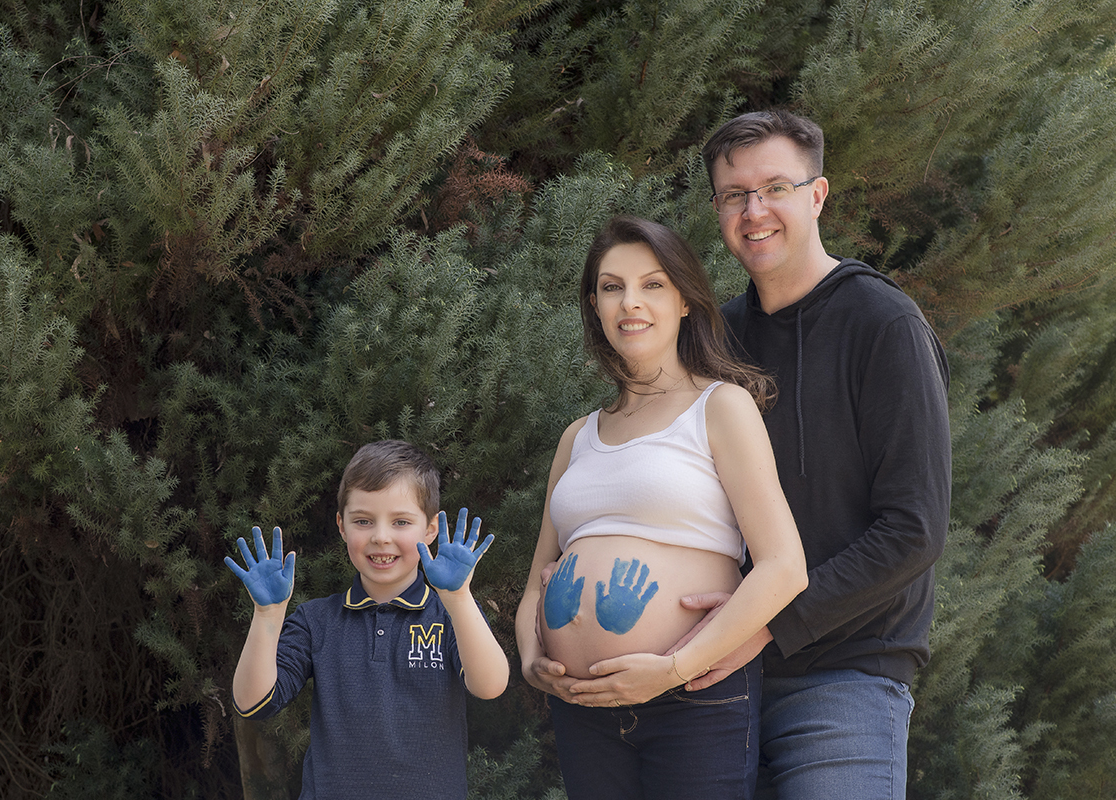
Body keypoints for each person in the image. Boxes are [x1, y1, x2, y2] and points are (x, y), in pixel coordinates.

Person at [668, 109, 952, 799]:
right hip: (717, 680)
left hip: (845, 679)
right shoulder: (714, 341)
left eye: (775, 188)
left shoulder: (883, 325)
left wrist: (766, 623)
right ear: (717, 209)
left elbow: (913, 530)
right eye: (735, 195)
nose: (754, 210)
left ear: (817, 195)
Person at [515, 215, 809, 800]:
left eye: (652, 284)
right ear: (595, 307)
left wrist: (673, 668)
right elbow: (531, 590)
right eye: (611, 286)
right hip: (584, 708)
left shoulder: (720, 407)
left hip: (691, 697)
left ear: (683, 302)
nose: (631, 302)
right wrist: (531, 660)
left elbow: (784, 567)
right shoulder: (578, 437)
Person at [225, 439, 509, 800]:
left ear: (431, 529)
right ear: (342, 526)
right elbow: (254, 703)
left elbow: (490, 685)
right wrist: (267, 615)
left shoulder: (451, 614)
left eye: (401, 521)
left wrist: (458, 597)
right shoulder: (315, 621)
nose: (380, 537)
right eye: (363, 521)